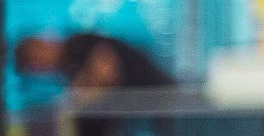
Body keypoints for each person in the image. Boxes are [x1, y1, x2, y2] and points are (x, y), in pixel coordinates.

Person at [13, 32, 176, 93]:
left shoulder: (78, 44)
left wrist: (84, 87)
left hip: (159, 91)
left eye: (36, 55)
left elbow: (106, 74)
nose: (40, 63)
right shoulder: (65, 71)